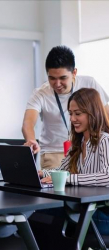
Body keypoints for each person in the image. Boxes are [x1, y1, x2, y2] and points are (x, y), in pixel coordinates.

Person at [22, 45, 109, 169]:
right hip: (53, 153)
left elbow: (106, 116)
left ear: (74, 73)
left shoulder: (89, 83)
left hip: (86, 148)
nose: (57, 84)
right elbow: (28, 123)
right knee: (52, 186)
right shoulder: (40, 93)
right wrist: (31, 140)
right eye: (52, 78)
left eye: (63, 78)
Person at [40, 88, 109, 234]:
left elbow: (107, 176)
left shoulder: (105, 140)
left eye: (78, 114)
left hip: (103, 214)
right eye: (70, 114)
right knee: (43, 212)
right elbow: (61, 171)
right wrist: (41, 173)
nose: (72, 119)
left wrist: (69, 179)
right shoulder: (79, 143)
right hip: (86, 209)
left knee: (46, 213)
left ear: (93, 113)